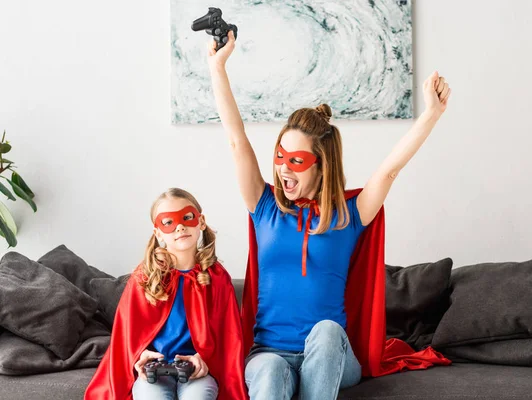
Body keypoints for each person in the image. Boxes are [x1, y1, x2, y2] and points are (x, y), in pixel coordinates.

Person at [208, 31, 452, 400]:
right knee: (271, 370)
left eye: (297, 161)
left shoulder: (348, 216)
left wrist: (431, 115)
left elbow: (388, 171)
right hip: (268, 354)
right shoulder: (265, 206)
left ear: (321, 165)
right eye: (279, 156)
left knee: (326, 330)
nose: (284, 169)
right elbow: (236, 139)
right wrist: (217, 67)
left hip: (332, 356)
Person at [84, 188, 248, 400]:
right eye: (168, 222)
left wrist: (203, 358)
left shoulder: (216, 278)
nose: (180, 226)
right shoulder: (145, 277)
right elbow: (126, 338)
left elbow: (229, 338)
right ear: (158, 233)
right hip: (155, 370)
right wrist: (141, 356)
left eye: (187, 217)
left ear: (201, 221)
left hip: (197, 371)